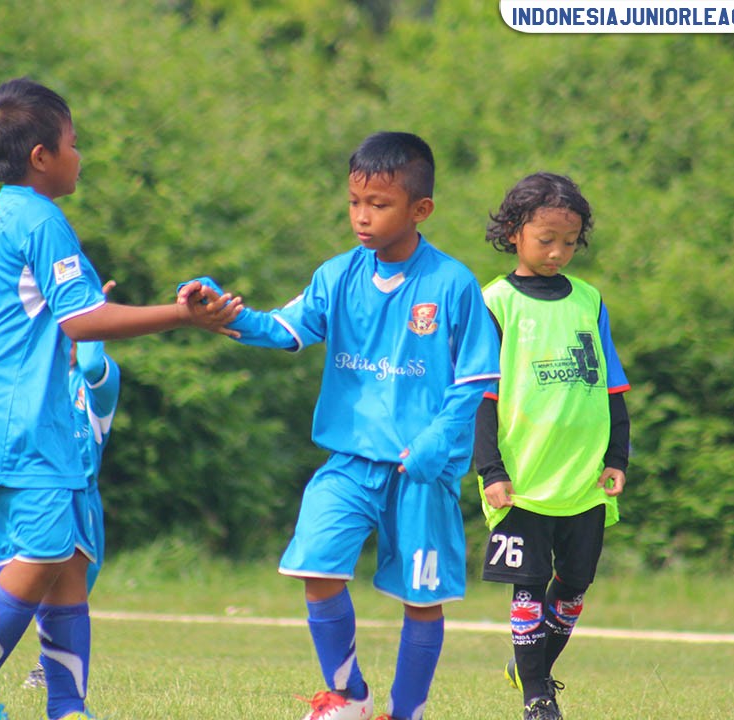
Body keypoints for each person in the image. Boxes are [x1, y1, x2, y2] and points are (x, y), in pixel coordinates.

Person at [0, 77, 240, 720]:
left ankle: (67, 708)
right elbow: (83, 321)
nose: (82, 155)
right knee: (44, 552)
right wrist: (181, 317)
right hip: (15, 418)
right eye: (75, 143)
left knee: (68, 560)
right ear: (42, 155)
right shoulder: (41, 219)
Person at [178, 131, 501, 720]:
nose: (361, 216)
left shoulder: (452, 284)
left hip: (421, 469)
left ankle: (407, 714)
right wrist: (225, 312)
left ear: (420, 209)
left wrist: (437, 442)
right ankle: (350, 697)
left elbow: (478, 379)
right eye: (354, 202)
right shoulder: (337, 275)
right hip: (349, 462)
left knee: (421, 600)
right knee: (315, 568)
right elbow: (283, 328)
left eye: (378, 205)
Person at [473, 172, 631, 720]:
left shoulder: (589, 301)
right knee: (527, 583)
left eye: (570, 240)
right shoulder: (493, 303)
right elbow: (480, 398)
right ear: (514, 231)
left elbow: (611, 386)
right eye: (546, 239)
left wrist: (617, 458)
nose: (559, 251)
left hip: (584, 477)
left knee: (575, 584)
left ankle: (529, 663)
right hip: (521, 477)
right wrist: (490, 469)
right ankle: (537, 694)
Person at [0, 281, 122, 692]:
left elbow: (92, 366)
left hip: (78, 507)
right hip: (30, 493)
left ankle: (49, 673)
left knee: (68, 600)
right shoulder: (31, 379)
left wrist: (95, 315)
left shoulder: (96, 387)